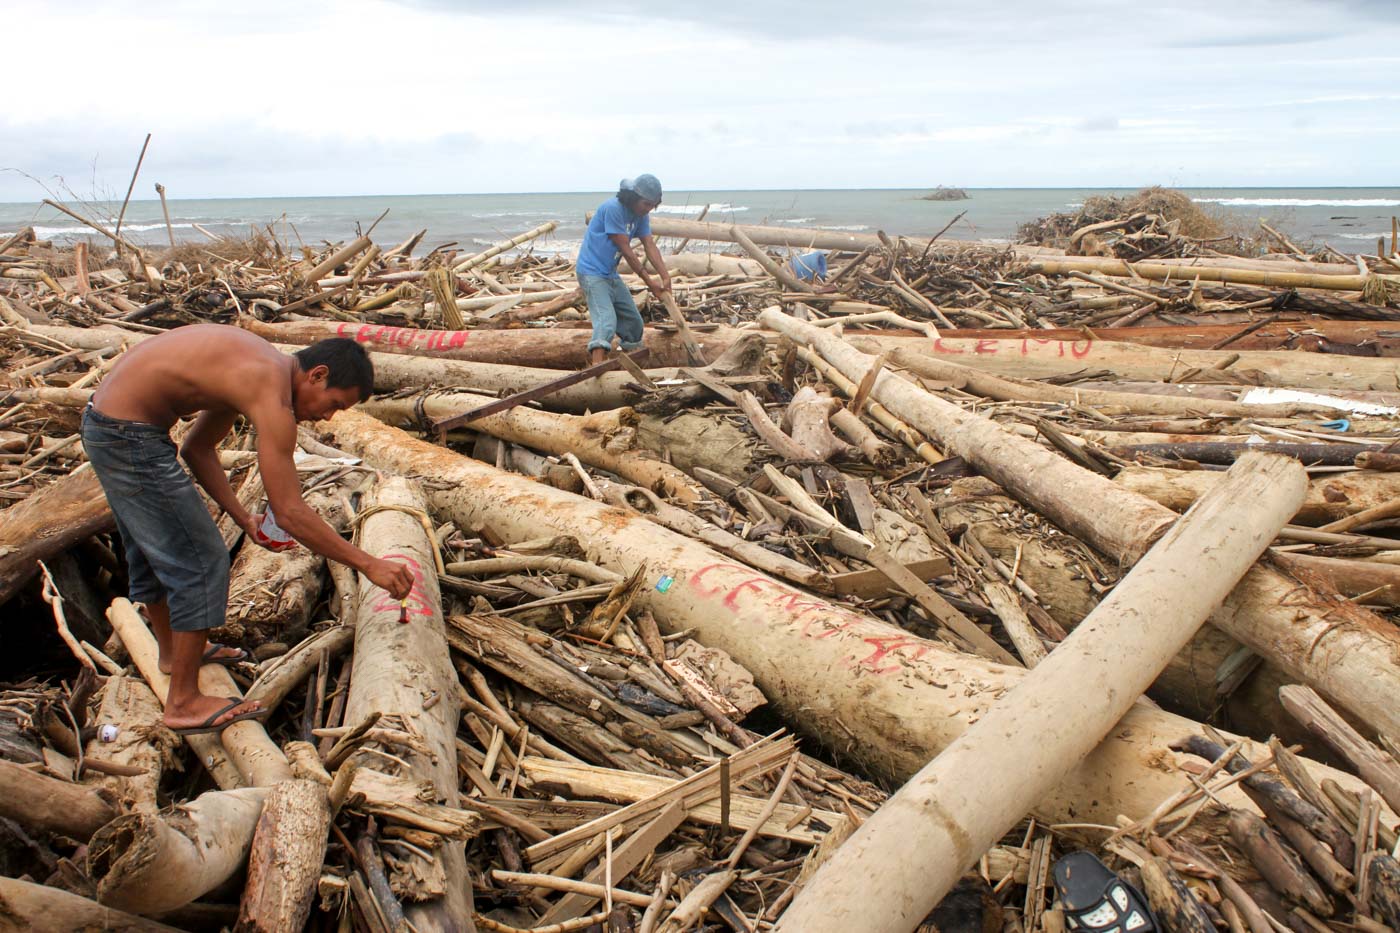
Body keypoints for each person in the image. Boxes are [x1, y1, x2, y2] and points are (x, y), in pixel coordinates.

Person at [80, 325, 414, 735]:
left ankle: (172, 653)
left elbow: (197, 448)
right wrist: (368, 564)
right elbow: (289, 511)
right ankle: (183, 703)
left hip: (110, 424)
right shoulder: (272, 396)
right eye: (333, 404)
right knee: (201, 561)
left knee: (156, 549)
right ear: (317, 374)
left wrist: (243, 517)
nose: (327, 416)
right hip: (127, 435)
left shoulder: (252, 369)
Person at [576, 174, 672, 365]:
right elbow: (626, 251)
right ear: (633, 198)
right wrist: (651, 283)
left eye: (652, 205)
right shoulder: (614, 209)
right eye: (646, 204)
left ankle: (629, 364)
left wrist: (665, 276)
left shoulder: (641, 215)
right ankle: (596, 369)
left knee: (633, 323)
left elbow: (649, 244)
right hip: (591, 272)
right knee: (606, 320)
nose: (648, 209)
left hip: (610, 273)